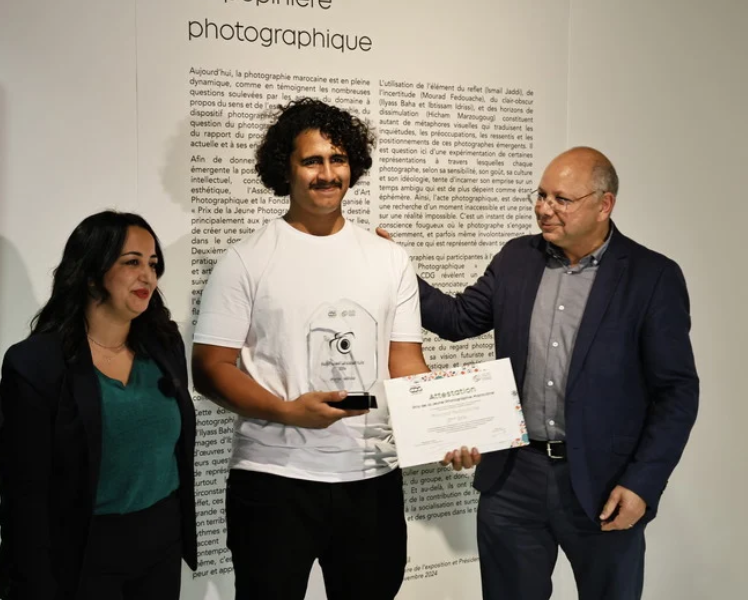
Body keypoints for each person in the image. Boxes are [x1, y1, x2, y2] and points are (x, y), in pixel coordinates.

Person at [192, 98, 477, 600]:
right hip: (274, 477)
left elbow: (405, 361)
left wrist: (443, 428)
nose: (327, 173)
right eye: (312, 160)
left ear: (354, 166)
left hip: (371, 476)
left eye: (338, 159)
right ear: (287, 167)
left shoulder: (390, 259)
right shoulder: (244, 260)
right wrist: (286, 411)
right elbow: (210, 369)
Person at [393, 146, 699, 599]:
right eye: (540, 195)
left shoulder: (652, 276)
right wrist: (396, 268)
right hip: (514, 477)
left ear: (604, 204)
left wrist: (642, 484)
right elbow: (458, 320)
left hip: (603, 483)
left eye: (560, 199)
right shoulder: (518, 257)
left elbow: (677, 393)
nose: (543, 208)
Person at [0, 211, 197, 600]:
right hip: (82, 551)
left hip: (160, 541)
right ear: (91, 273)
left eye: (153, 264)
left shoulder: (164, 343)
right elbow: (25, 493)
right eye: (132, 262)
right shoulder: (36, 363)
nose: (148, 276)